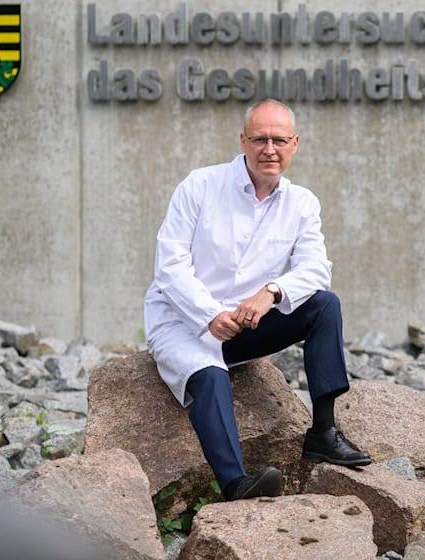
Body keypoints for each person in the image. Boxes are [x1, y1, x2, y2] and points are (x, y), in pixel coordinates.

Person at [143, 99, 371, 502]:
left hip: (246, 326)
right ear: (243, 140)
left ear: (295, 143)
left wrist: (272, 292)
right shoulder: (199, 186)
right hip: (183, 323)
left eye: (279, 140)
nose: (270, 149)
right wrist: (209, 315)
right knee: (210, 377)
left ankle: (322, 432)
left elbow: (317, 268)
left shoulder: (302, 203)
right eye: (260, 139)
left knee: (324, 305)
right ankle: (236, 484)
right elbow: (170, 266)